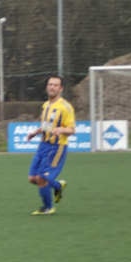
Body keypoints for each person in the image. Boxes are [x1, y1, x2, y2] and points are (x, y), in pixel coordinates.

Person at [26, 75, 76, 215]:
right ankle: (58, 185)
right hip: (43, 145)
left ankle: (48, 207)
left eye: (55, 85)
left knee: (41, 178)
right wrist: (35, 132)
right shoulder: (45, 105)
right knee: (32, 178)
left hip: (56, 147)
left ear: (61, 89)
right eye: (50, 84)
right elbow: (46, 125)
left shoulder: (66, 107)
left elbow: (72, 129)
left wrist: (61, 129)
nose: (52, 87)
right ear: (47, 86)